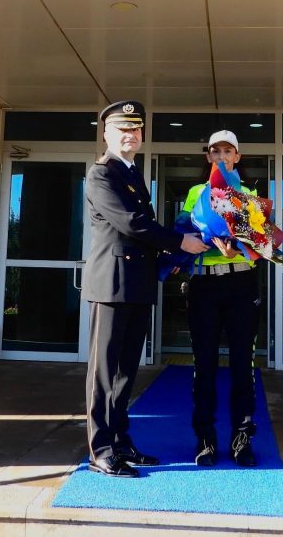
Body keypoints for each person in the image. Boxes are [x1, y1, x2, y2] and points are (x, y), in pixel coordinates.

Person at [83, 100, 209, 478]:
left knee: (125, 372)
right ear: (106, 133)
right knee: (104, 373)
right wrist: (180, 242)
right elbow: (132, 223)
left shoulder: (133, 173)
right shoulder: (101, 174)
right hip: (111, 285)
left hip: (137, 283)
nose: (130, 135)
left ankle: (120, 442)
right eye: (122, 129)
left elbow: (142, 231)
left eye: (135, 129)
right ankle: (101, 450)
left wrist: (172, 255)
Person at [180, 130, 261, 468]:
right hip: (205, 285)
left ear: (237, 156)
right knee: (205, 365)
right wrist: (199, 241)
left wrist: (238, 247)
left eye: (228, 151)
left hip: (241, 284)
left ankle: (242, 438)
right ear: (208, 157)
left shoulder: (249, 193)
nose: (222, 156)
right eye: (216, 151)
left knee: (243, 365)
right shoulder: (196, 192)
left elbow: (261, 244)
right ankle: (205, 438)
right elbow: (183, 232)